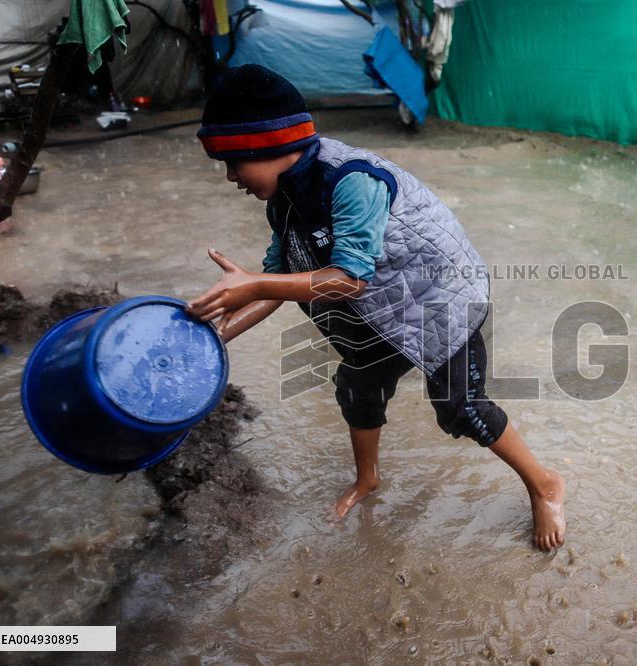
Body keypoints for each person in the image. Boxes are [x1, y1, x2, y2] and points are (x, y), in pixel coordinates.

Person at [186, 65, 566, 550]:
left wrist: (254, 283)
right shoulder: (283, 201)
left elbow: (348, 279)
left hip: (440, 299)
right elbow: (273, 285)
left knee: (461, 408)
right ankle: (367, 479)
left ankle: (544, 483)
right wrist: (215, 334)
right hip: (383, 309)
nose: (230, 177)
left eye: (233, 162)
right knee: (358, 386)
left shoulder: (351, 181)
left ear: (269, 146)